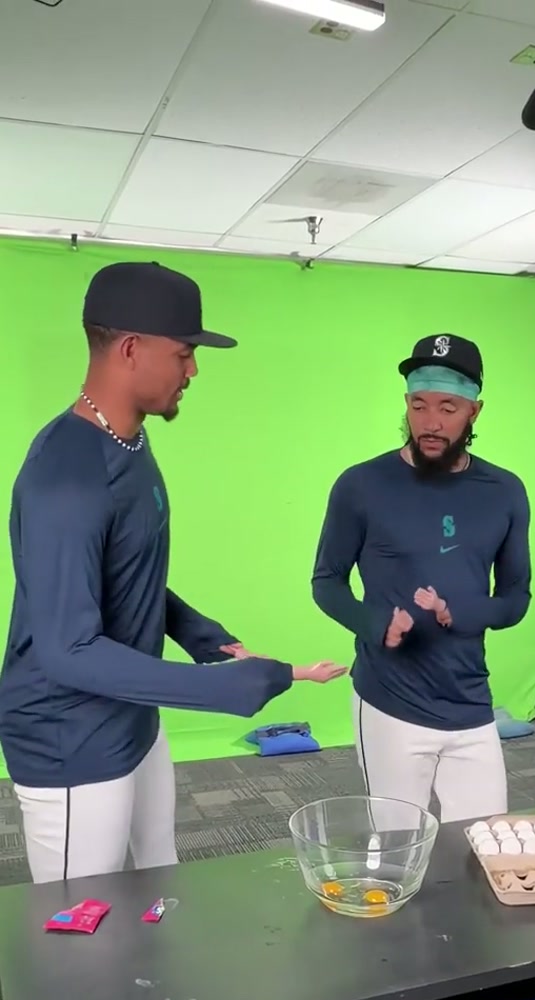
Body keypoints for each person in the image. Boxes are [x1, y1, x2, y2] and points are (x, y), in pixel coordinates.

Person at [0, 260, 346, 885]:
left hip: (133, 715)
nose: (193, 371)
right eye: (185, 353)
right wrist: (227, 689)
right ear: (131, 349)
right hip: (70, 738)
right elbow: (68, 650)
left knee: (158, 881)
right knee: (85, 931)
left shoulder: (129, 442)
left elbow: (124, 568)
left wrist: (198, 633)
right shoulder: (65, 476)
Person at [312, 333, 531, 1000]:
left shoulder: (504, 491)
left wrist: (464, 610)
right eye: (417, 403)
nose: (429, 419)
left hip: (471, 707)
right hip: (393, 702)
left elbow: (517, 598)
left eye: (446, 405)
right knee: (396, 865)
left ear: (474, 408)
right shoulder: (360, 485)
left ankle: (460, 997)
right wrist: (380, 623)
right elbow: (327, 581)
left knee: (484, 860)